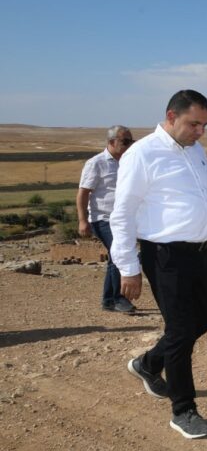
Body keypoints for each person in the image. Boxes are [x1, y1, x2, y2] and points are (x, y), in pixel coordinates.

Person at [109, 90, 207, 440]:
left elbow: (198, 195)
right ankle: (183, 410)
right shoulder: (143, 155)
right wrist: (128, 267)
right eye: (194, 124)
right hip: (164, 255)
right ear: (171, 116)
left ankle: (147, 364)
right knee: (179, 331)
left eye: (205, 125)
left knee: (203, 320)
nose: (200, 132)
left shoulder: (196, 150)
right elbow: (122, 213)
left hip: (197, 252)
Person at [76, 125, 136, 313]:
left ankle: (110, 300)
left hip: (124, 218)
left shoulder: (128, 161)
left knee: (116, 256)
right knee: (119, 254)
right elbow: (83, 193)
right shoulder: (97, 163)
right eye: (125, 141)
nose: (129, 145)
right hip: (103, 218)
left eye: (131, 141)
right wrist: (82, 220)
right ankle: (115, 299)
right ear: (111, 142)